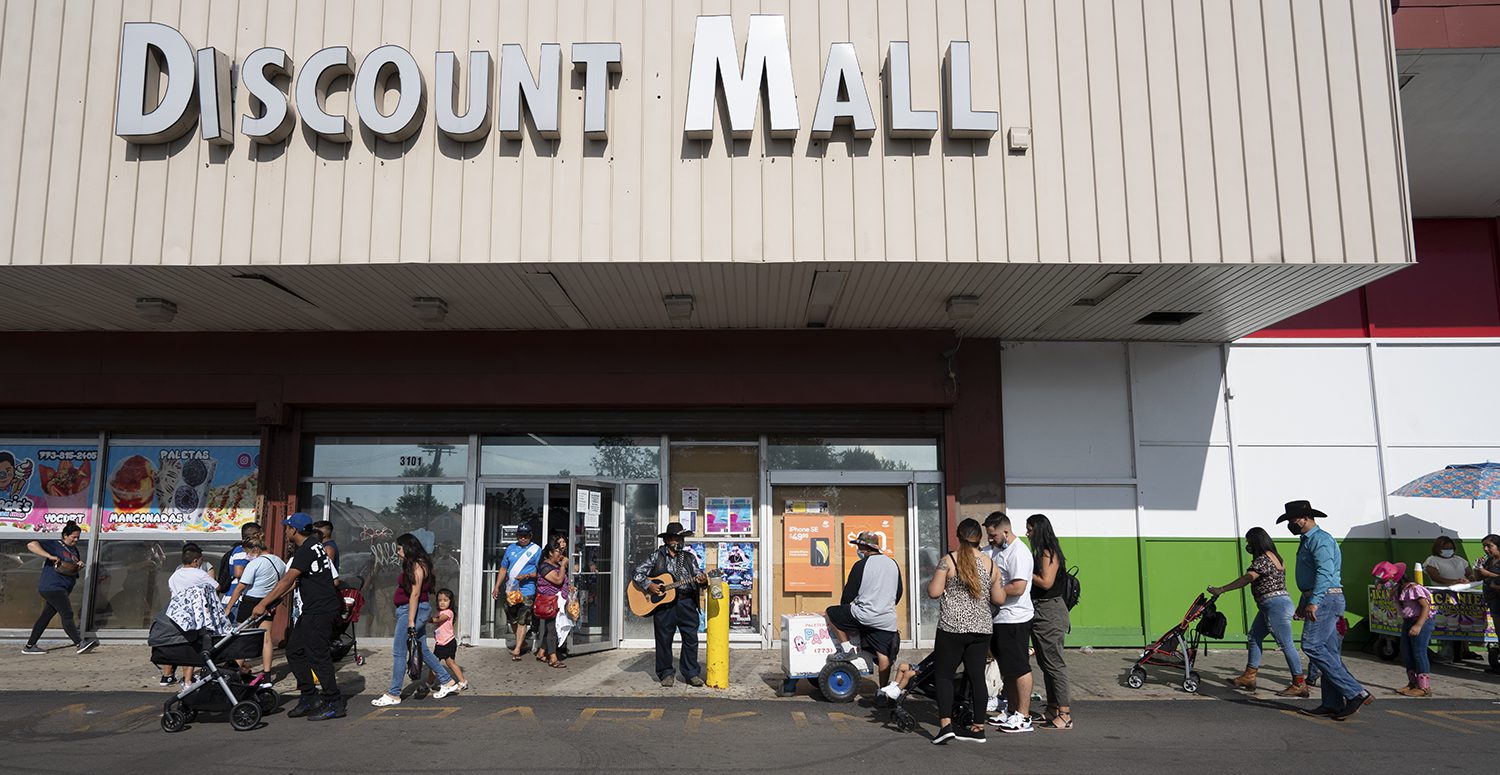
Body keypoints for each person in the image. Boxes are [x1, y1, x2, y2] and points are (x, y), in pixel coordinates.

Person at [1279, 500, 1371, 719]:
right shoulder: (1308, 540)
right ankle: (1333, 703)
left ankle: (1355, 692)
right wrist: (1305, 603)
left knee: (1311, 645)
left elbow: (1325, 573)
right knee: (1328, 654)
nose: (1291, 524)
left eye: (1294, 520)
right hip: (1322, 597)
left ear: (1307, 518)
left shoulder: (1320, 540)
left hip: (1326, 598)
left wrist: (1314, 601)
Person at [251, 512, 345, 720]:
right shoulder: (313, 546)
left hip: (320, 609)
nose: (285, 531)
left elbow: (287, 580)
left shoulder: (305, 550)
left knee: (317, 655)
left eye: (287, 527)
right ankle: (309, 695)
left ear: (294, 530)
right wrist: (274, 601)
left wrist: (262, 603)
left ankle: (333, 701)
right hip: (313, 608)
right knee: (294, 650)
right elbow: (294, 582)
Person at [927, 518, 1005, 744]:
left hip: (952, 628)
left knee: (943, 675)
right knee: (977, 676)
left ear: (958, 536)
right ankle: (978, 728)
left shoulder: (948, 560)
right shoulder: (991, 564)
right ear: (979, 539)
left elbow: (934, 592)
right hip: (981, 629)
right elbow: (999, 598)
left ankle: (945, 726)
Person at [1210, 526, 1307, 697]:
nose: (1248, 546)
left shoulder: (1262, 560)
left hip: (1274, 605)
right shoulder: (1276, 557)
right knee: (1254, 636)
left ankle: (1299, 683)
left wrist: (1222, 589)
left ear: (1256, 542)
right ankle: (1249, 676)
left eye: (1249, 542)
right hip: (1274, 604)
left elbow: (1247, 579)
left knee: (1285, 643)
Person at [371, 533, 461, 706]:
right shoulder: (416, 563)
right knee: (422, 649)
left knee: (399, 652)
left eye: (399, 548)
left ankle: (394, 693)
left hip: (412, 612)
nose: (397, 552)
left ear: (408, 547)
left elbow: (415, 594)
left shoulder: (417, 566)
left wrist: (411, 621)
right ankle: (447, 681)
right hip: (412, 610)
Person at [824, 530, 903, 694]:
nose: (858, 550)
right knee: (884, 656)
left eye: (859, 546)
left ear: (864, 547)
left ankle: (847, 650)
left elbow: (848, 595)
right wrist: (884, 607)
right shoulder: (893, 563)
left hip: (864, 615)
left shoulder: (861, 565)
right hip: (886, 618)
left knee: (831, 613)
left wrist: (845, 610)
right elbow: (899, 592)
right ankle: (883, 691)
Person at [632, 521, 708, 688]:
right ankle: (666, 673)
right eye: (675, 538)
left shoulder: (689, 558)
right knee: (664, 640)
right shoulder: (656, 556)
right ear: (667, 540)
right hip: (664, 605)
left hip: (686, 602)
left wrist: (703, 580)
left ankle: (691, 673)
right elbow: (637, 572)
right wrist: (648, 585)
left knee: (691, 638)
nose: (679, 542)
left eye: (681, 539)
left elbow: (697, 576)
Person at [982, 512, 1035, 733]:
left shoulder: (1019, 552)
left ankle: (1024, 716)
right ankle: (1012, 710)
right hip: (999, 618)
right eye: (988, 535)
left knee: (1019, 667)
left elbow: (1018, 587)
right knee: (1007, 669)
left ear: (1005, 531)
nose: (990, 539)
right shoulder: (995, 550)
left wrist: (995, 593)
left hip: (1016, 618)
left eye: (993, 535)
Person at [22, 521, 97, 656]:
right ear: (65, 535)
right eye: (73, 537)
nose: (76, 539)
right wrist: (50, 556)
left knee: (45, 616)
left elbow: (71, 569)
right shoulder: (55, 545)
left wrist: (78, 565)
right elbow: (31, 545)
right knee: (67, 614)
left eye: (78, 537)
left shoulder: (74, 550)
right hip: (52, 587)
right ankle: (79, 643)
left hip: (63, 587)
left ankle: (29, 646)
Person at [1026, 513, 1072, 730]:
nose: (1027, 533)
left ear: (1039, 530)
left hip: (1049, 612)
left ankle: (1065, 714)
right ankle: (1053, 708)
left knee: (1054, 664)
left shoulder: (1048, 552)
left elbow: (1046, 582)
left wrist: (1026, 572)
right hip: (1042, 611)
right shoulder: (1042, 552)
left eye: (1030, 529)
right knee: (1046, 663)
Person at [225, 538, 286, 685]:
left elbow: (240, 587)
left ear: (256, 549)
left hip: (250, 602)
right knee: (266, 639)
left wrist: (228, 607)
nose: (247, 556)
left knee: (242, 637)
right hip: (269, 601)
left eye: (247, 552)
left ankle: (235, 673)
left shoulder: (255, 564)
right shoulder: (279, 562)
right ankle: (267, 675)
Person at [1372, 561, 1435, 697]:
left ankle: (1424, 687)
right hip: (1408, 622)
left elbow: (1425, 607)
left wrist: (1418, 625)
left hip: (1420, 621)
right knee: (1406, 652)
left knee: (1419, 652)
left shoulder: (1413, 588)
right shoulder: (1398, 589)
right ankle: (1412, 683)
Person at [490, 523, 542, 661]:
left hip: (527, 590)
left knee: (522, 620)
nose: (523, 538)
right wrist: (496, 586)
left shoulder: (536, 550)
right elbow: (503, 568)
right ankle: (523, 642)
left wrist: (527, 576)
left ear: (530, 536)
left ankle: (517, 648)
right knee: (512, 619)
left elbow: (541, 571)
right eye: (520, 536)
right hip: (511, 590)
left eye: (525, 536)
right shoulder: (511, 548)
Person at [535, 544, 569, 668]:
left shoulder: (557, 566)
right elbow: (558, 580)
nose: (560, 554)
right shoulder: (545, 567)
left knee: (551, 627)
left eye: (561, 551)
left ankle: (541, 652)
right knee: (552, 629)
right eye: (557, 551)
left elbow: (563, 580)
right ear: (550, 553)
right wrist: (564, 565)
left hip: (558, 600)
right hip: (549, 601)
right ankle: (553, 657)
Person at [218, 522, 260, 617]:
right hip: (235, 602)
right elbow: (238, 572)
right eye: (261, 534)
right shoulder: (241, 551)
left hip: (241, 600)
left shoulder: (250, 551)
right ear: (256, 535)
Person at [430, 588, 467, 690]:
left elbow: (440, 619)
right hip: (440, 643)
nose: (442, 603)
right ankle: (430, 682)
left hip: (448, 642)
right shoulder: (438, 612)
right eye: (440, 600)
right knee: (433, 664)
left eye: (445, 600)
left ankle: (463, 681)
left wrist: (427, 619)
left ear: (450, 602)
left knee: (450, 663)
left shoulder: (448, 612)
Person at [1473, 534, 1500, 674]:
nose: (1486, 549)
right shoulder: (1489, 560)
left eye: (1489, 546)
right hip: (1491, 599)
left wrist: (1488, 573)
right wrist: (1477, 568)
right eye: (1484, 546)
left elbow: (1491, 576)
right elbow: (1478, 577)